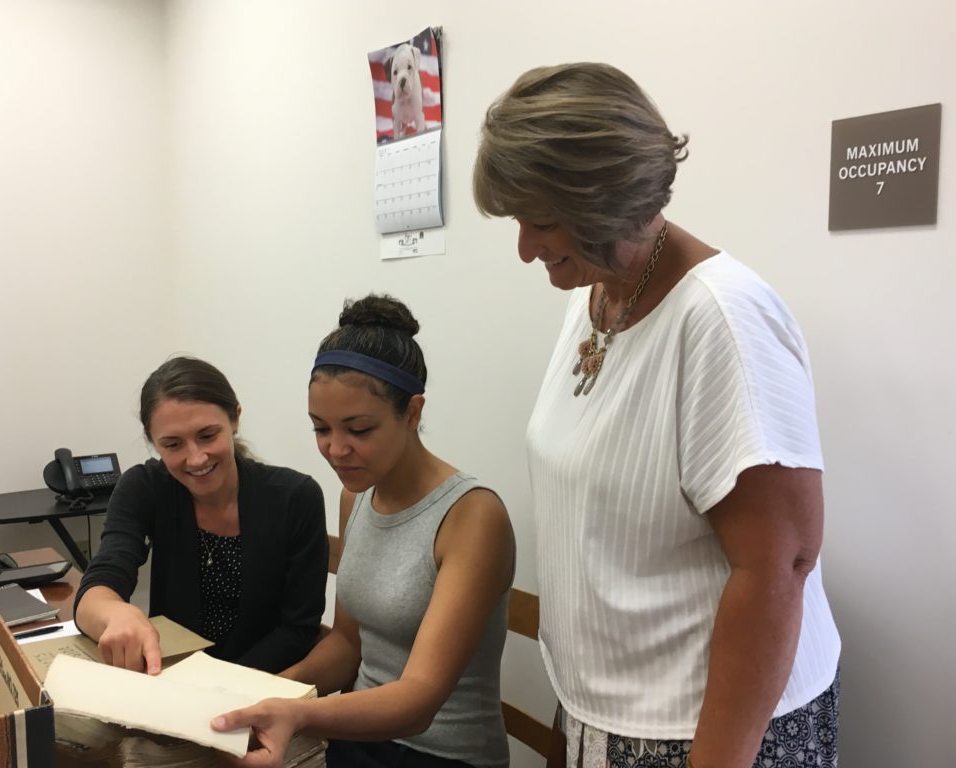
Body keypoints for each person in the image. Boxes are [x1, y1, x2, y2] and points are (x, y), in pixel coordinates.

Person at [472, 63, 841, 768]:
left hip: (707, 733)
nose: (524, 249)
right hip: (608, 709)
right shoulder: (595, 296)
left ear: (606, 203)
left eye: (540, 222)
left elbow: (780, 565)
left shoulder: (723, 322)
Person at [212, 295, 516, 768]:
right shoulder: (356, 497)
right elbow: (348, 644)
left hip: (443, 754)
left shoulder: (471, 517)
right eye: (320, 428)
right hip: (356, 735)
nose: (336, 450)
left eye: (358, 429)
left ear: (412, 413)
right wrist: (267, 696)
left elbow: (418, 700)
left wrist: (296, 713)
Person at [74, 356, 328, 676]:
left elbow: (299, 629)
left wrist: (218, 685)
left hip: (261, 684)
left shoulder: (295, 496)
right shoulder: (144, 487)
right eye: (173, 444)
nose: (195, 458)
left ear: (235, 419)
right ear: (153, 442)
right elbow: (101, 581)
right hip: (172, 677)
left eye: (208, 435)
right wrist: (114, 613)